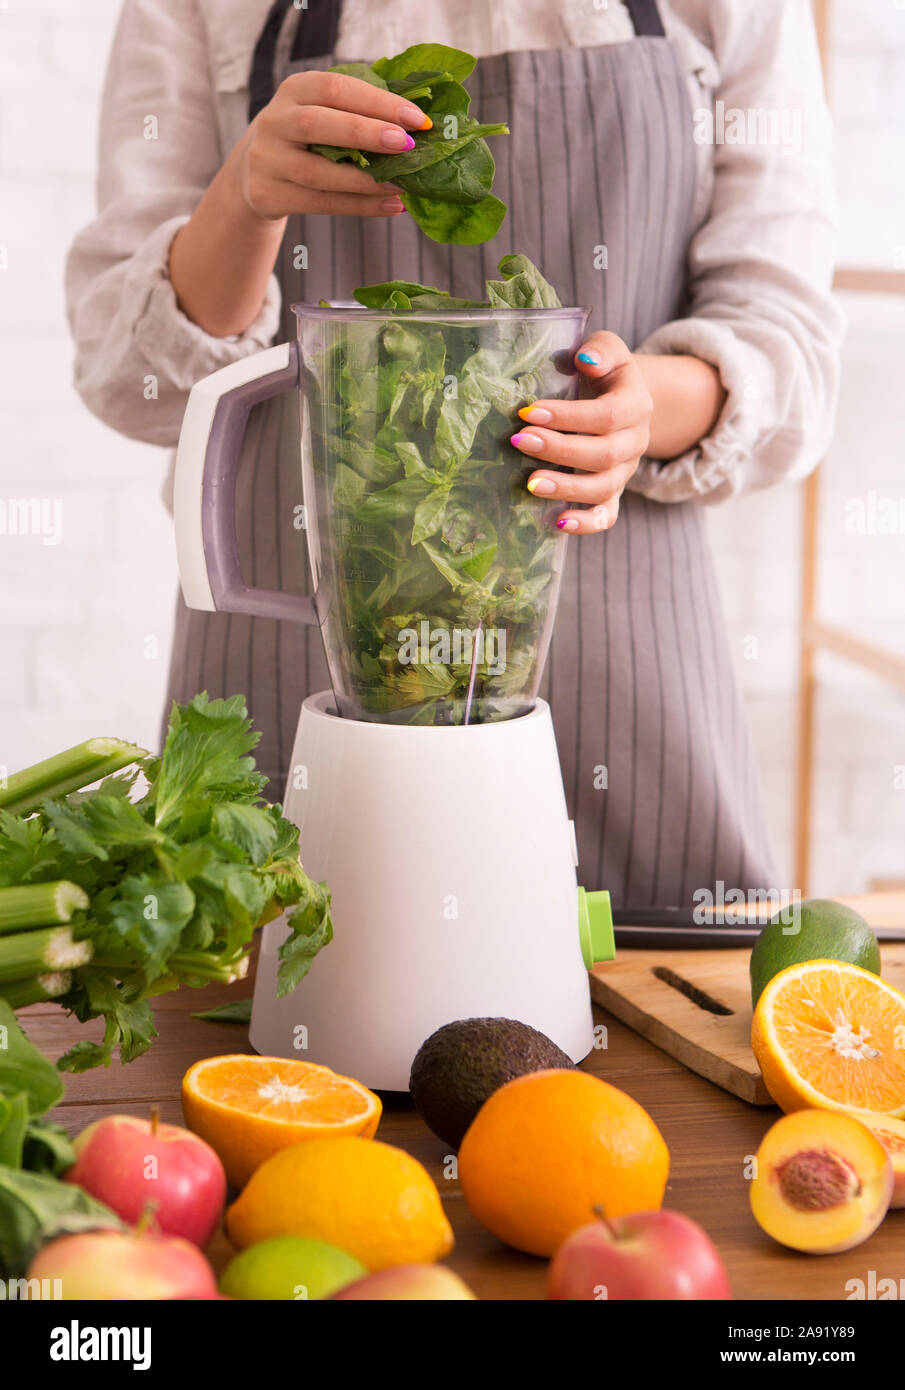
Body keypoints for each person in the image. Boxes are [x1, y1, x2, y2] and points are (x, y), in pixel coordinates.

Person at [66, 0, 842, 908]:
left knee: (643, 1021)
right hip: (285, 635)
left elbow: (782, 338)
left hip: (618, 655)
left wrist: (635, 411)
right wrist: (244, 195)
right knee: (278, 992)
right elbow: (132, 378)